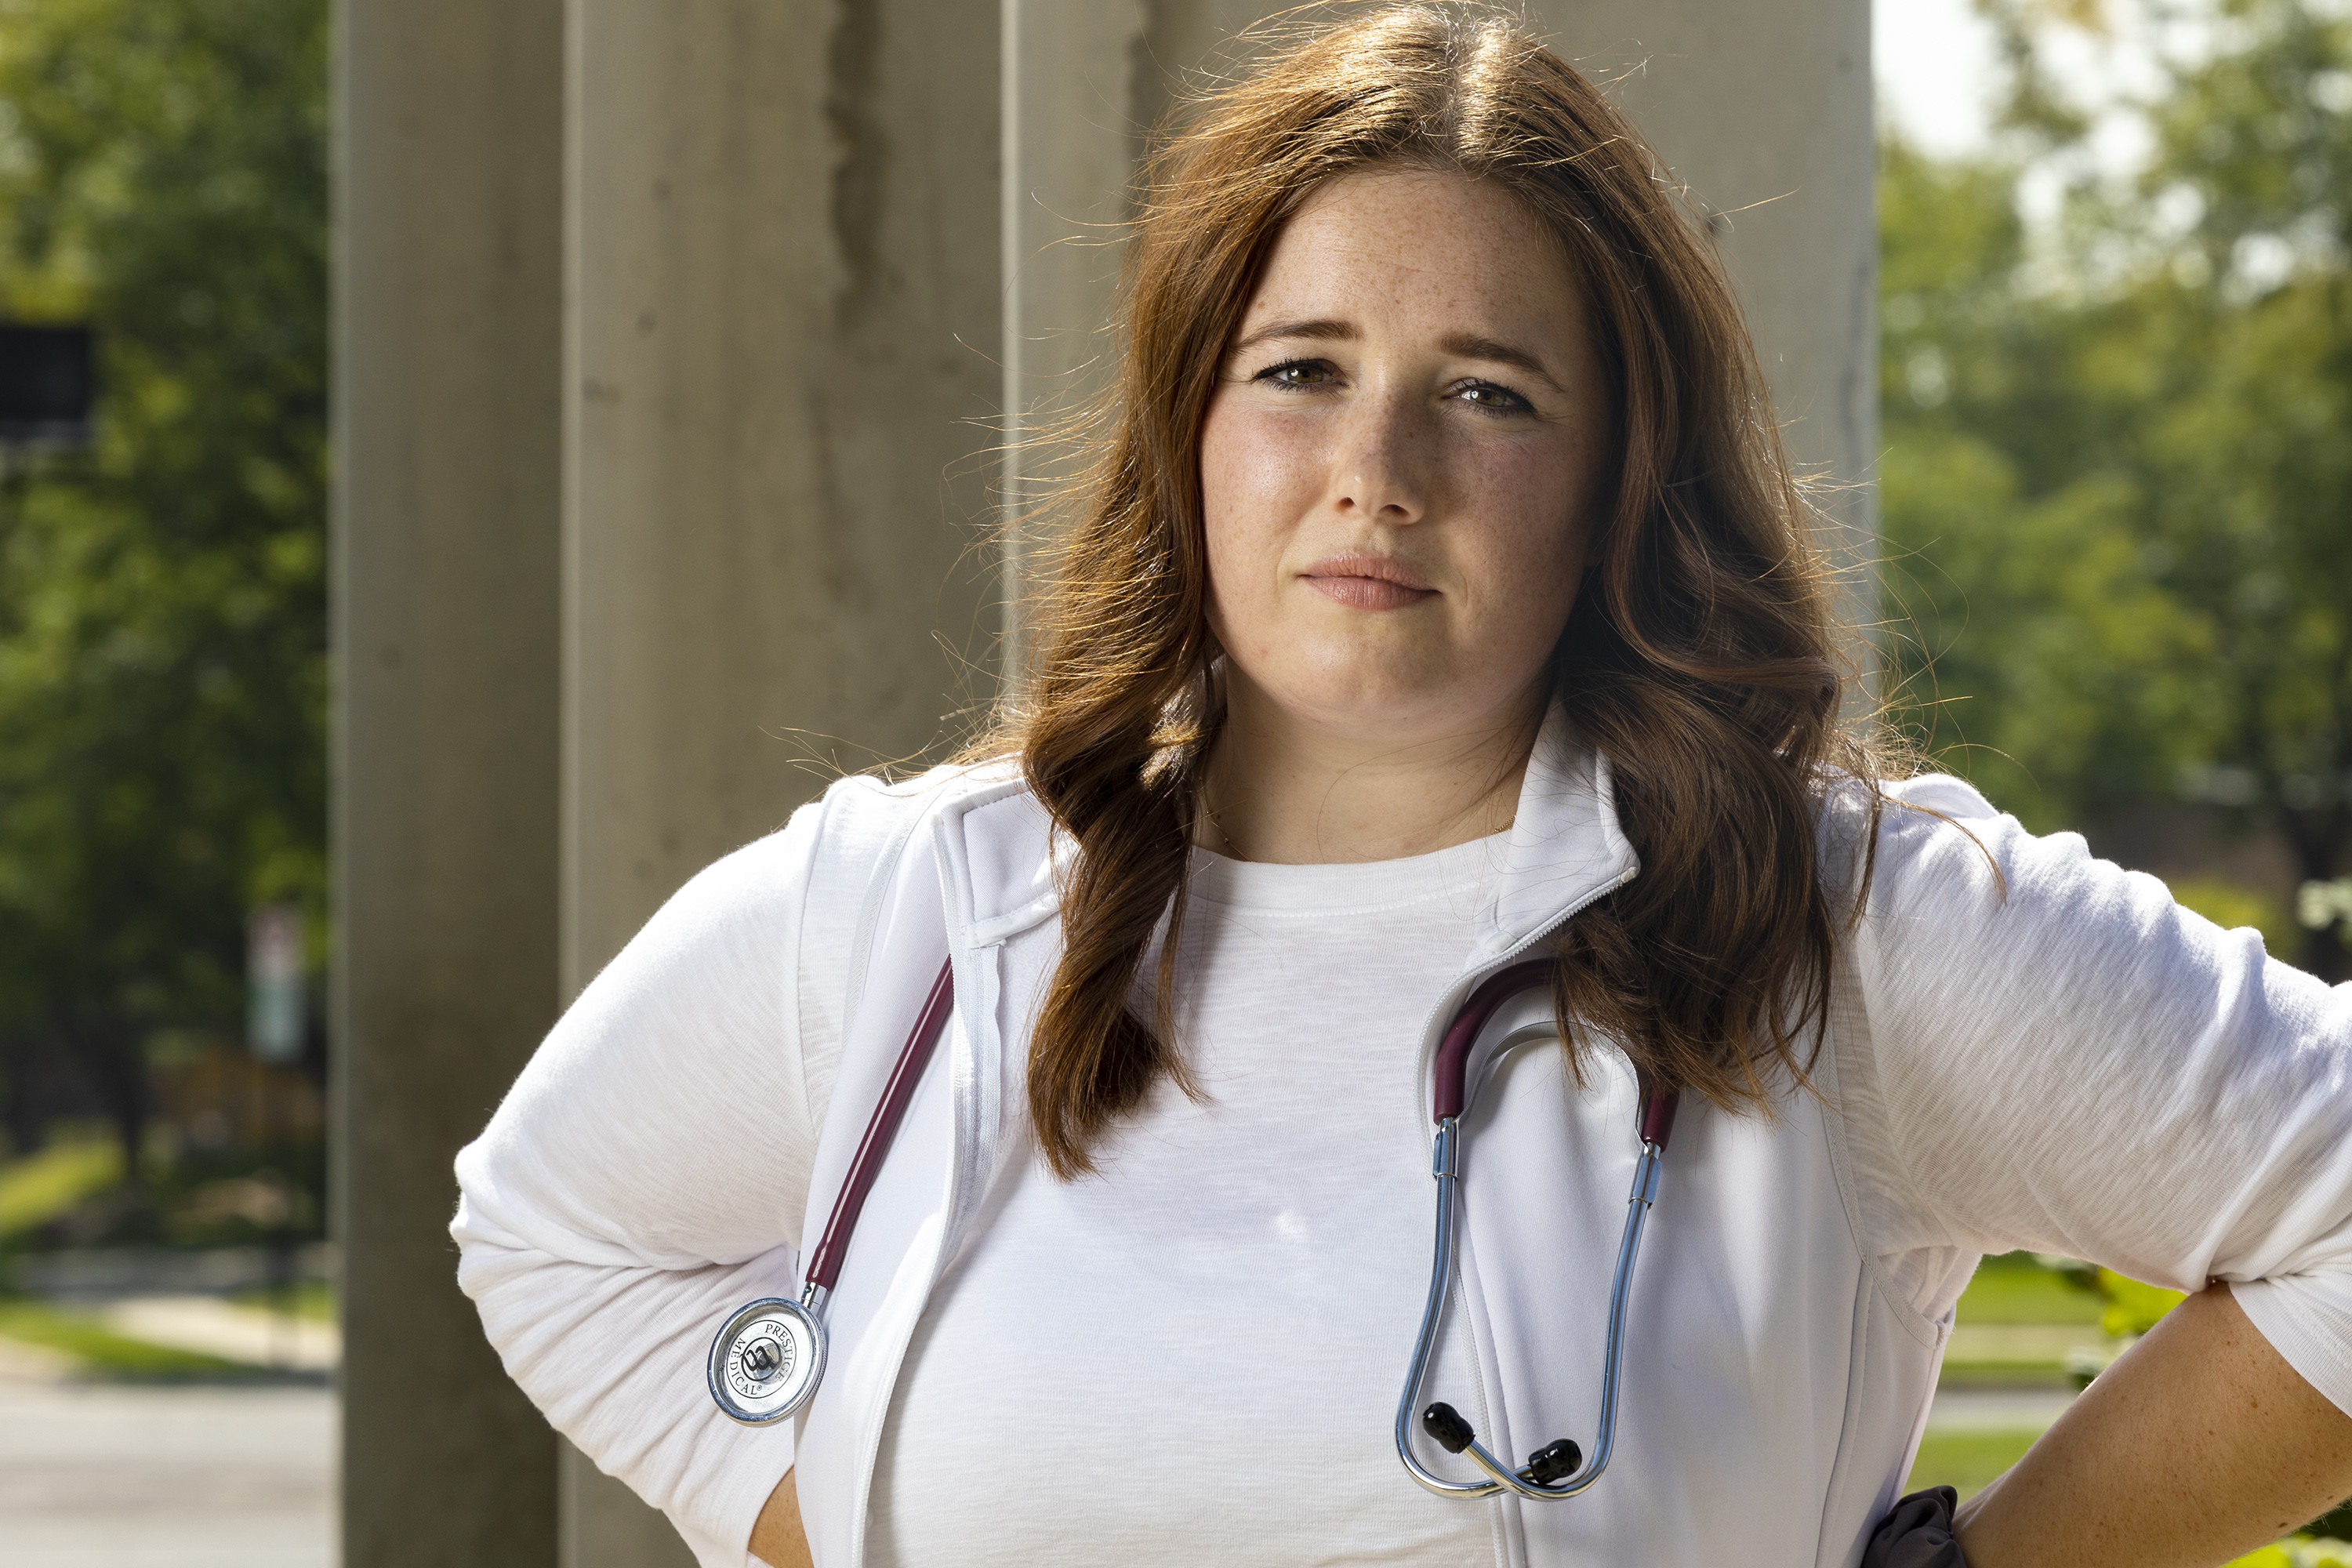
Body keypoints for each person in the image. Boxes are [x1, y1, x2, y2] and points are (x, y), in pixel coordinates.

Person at [450, 7, 2352, 1566]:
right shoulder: (918, 910)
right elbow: (548, 1230)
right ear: (1190, 427)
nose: (1377, 466)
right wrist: (828, 1510)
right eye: (1299, 369)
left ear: (1619, 474)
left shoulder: (1837, 932)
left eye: (1490, 391)